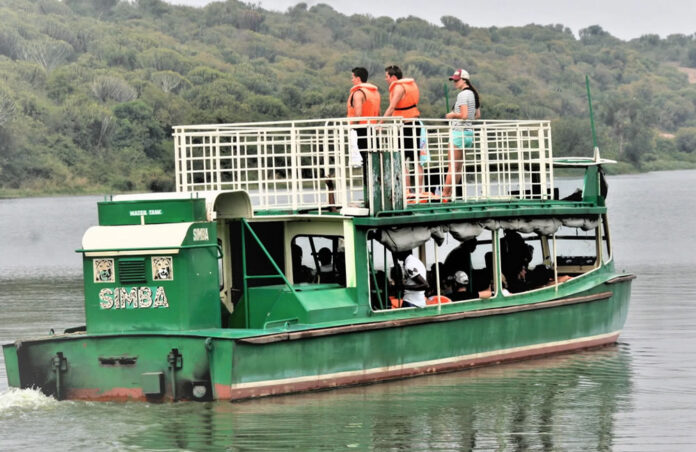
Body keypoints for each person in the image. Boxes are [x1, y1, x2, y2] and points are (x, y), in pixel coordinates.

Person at [383, 65, 424, 192]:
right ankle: (419, 191)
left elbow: (391, 108)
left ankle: (407, 191)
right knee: (416, 160)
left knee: (402, 160)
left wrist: (380, 123)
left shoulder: (399, 88)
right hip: (415, 124)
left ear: (393, 77)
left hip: (405, 126)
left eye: (387, 77)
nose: (386, 79)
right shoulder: (410, 85)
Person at [442, 69, 481, 199]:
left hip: (459, 133)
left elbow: (464, 115)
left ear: (464, 80)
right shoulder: (473, 94)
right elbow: (477, 115)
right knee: (458, 167)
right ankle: (449, 194)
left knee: (452, 166)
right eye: (453, 80)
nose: (454, 82)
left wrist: (453, 115)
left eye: (456, 80)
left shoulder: (463, 95)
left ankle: (445, 195)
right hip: (469, 133)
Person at [346, 67, 381, 206]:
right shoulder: (374, 93)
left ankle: (368, 197)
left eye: (353, 77)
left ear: (358, 78)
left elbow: (358, 113)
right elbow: (378, 112)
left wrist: (350, 126)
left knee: (366, 161)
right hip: (372, 129)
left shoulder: (358, 93)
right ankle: (374, 195)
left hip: (362, 130)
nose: (352, 79)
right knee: (372, 162)